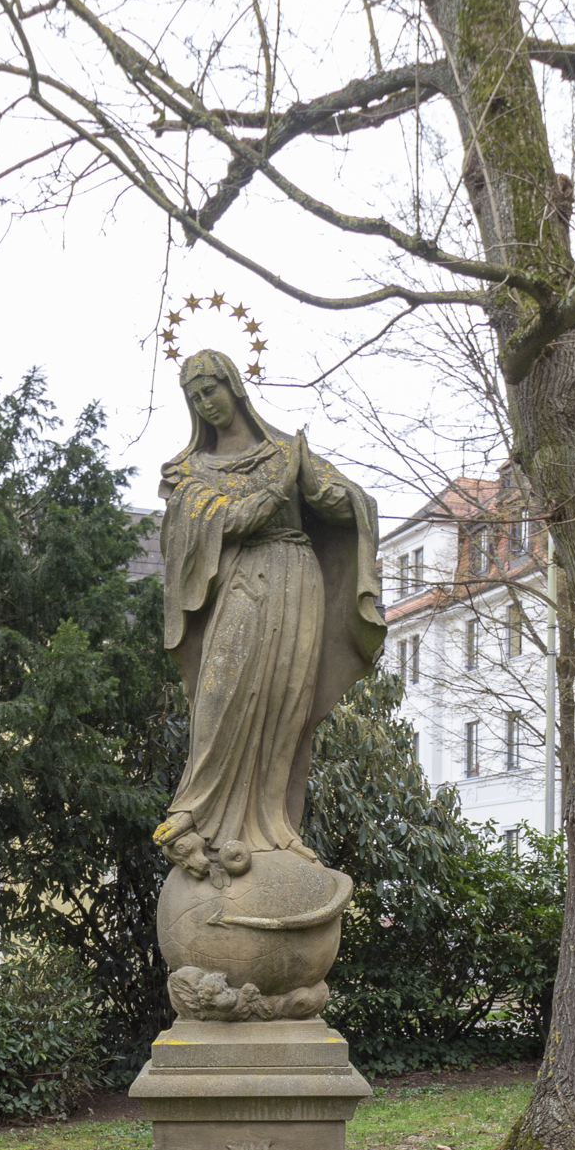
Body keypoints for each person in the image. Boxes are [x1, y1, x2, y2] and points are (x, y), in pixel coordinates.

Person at [155, 349, 385, 880]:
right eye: (194, 397)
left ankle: (274, 828)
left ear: (234, 386)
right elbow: (219, 523)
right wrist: (278, 488)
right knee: (221, 693)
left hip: (297, 579)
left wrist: (324, 492)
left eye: (210, 389)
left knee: (286, 702)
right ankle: (193, 814)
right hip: (242, 582)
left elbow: (348, 504)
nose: (205, 403)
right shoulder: (193, 470)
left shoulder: (286, 450)